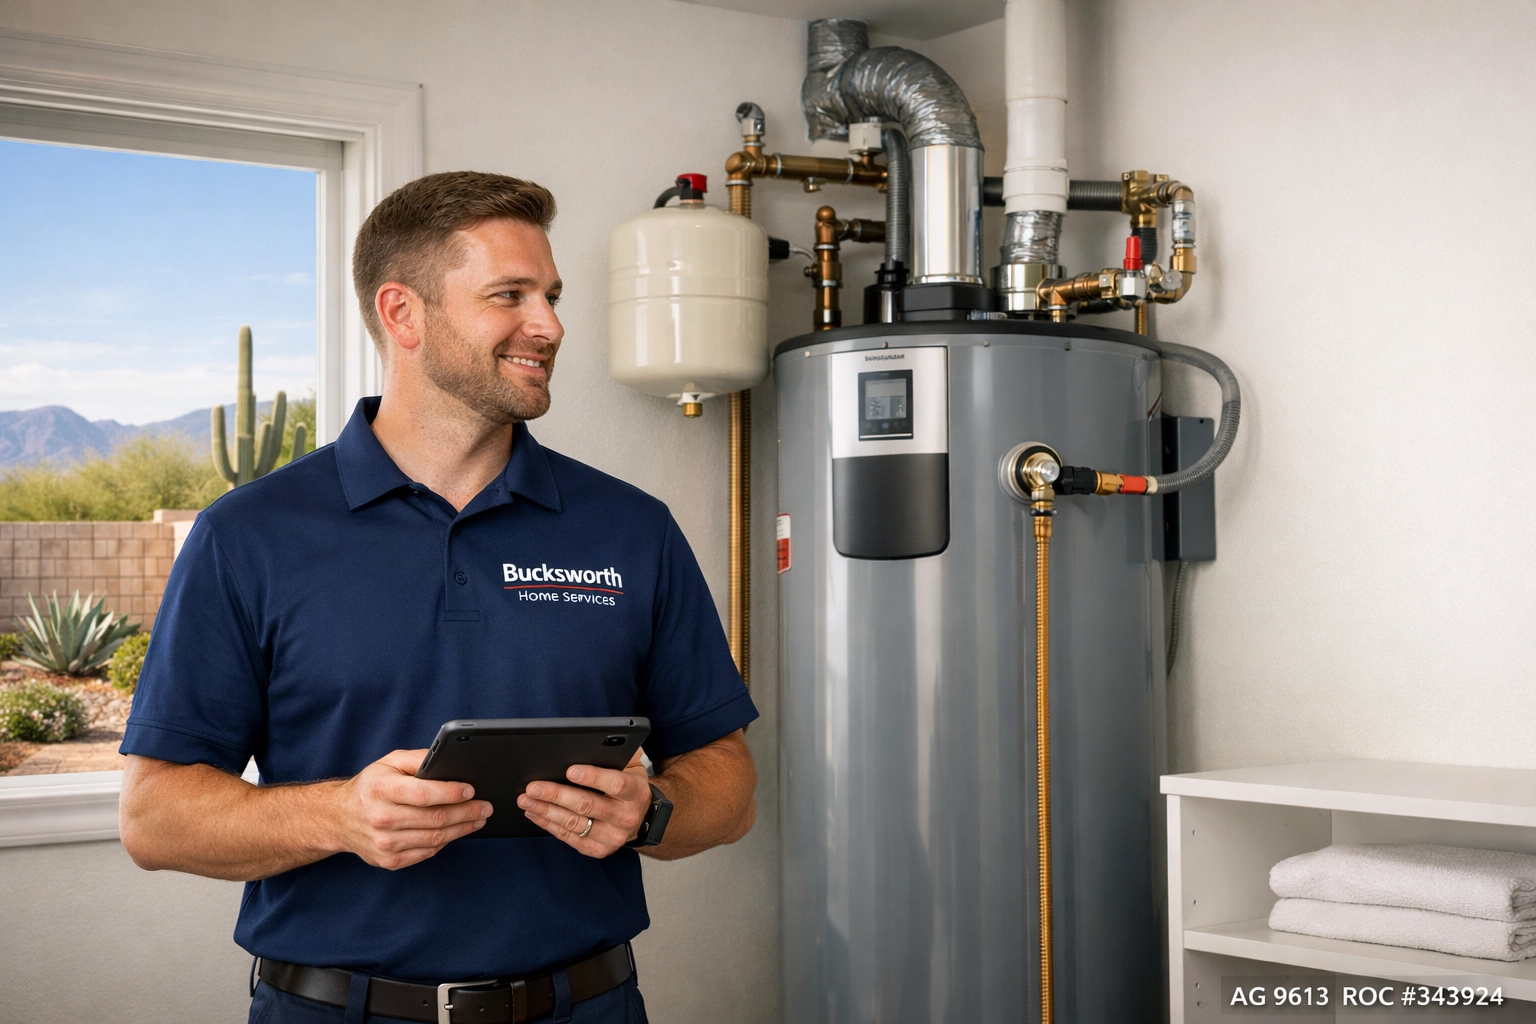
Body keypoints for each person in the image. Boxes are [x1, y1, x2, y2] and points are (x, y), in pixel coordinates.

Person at [118, 171, 759, 1024]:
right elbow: (156, 818)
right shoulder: (249, 536)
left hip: (587, 1006)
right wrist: (341, 816)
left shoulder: (630, 530)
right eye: (510, 295)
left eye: (553, 296)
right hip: (334, 1010)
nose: (551, 326)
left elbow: (730, 783)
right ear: (402, 313)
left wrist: (652, 812)